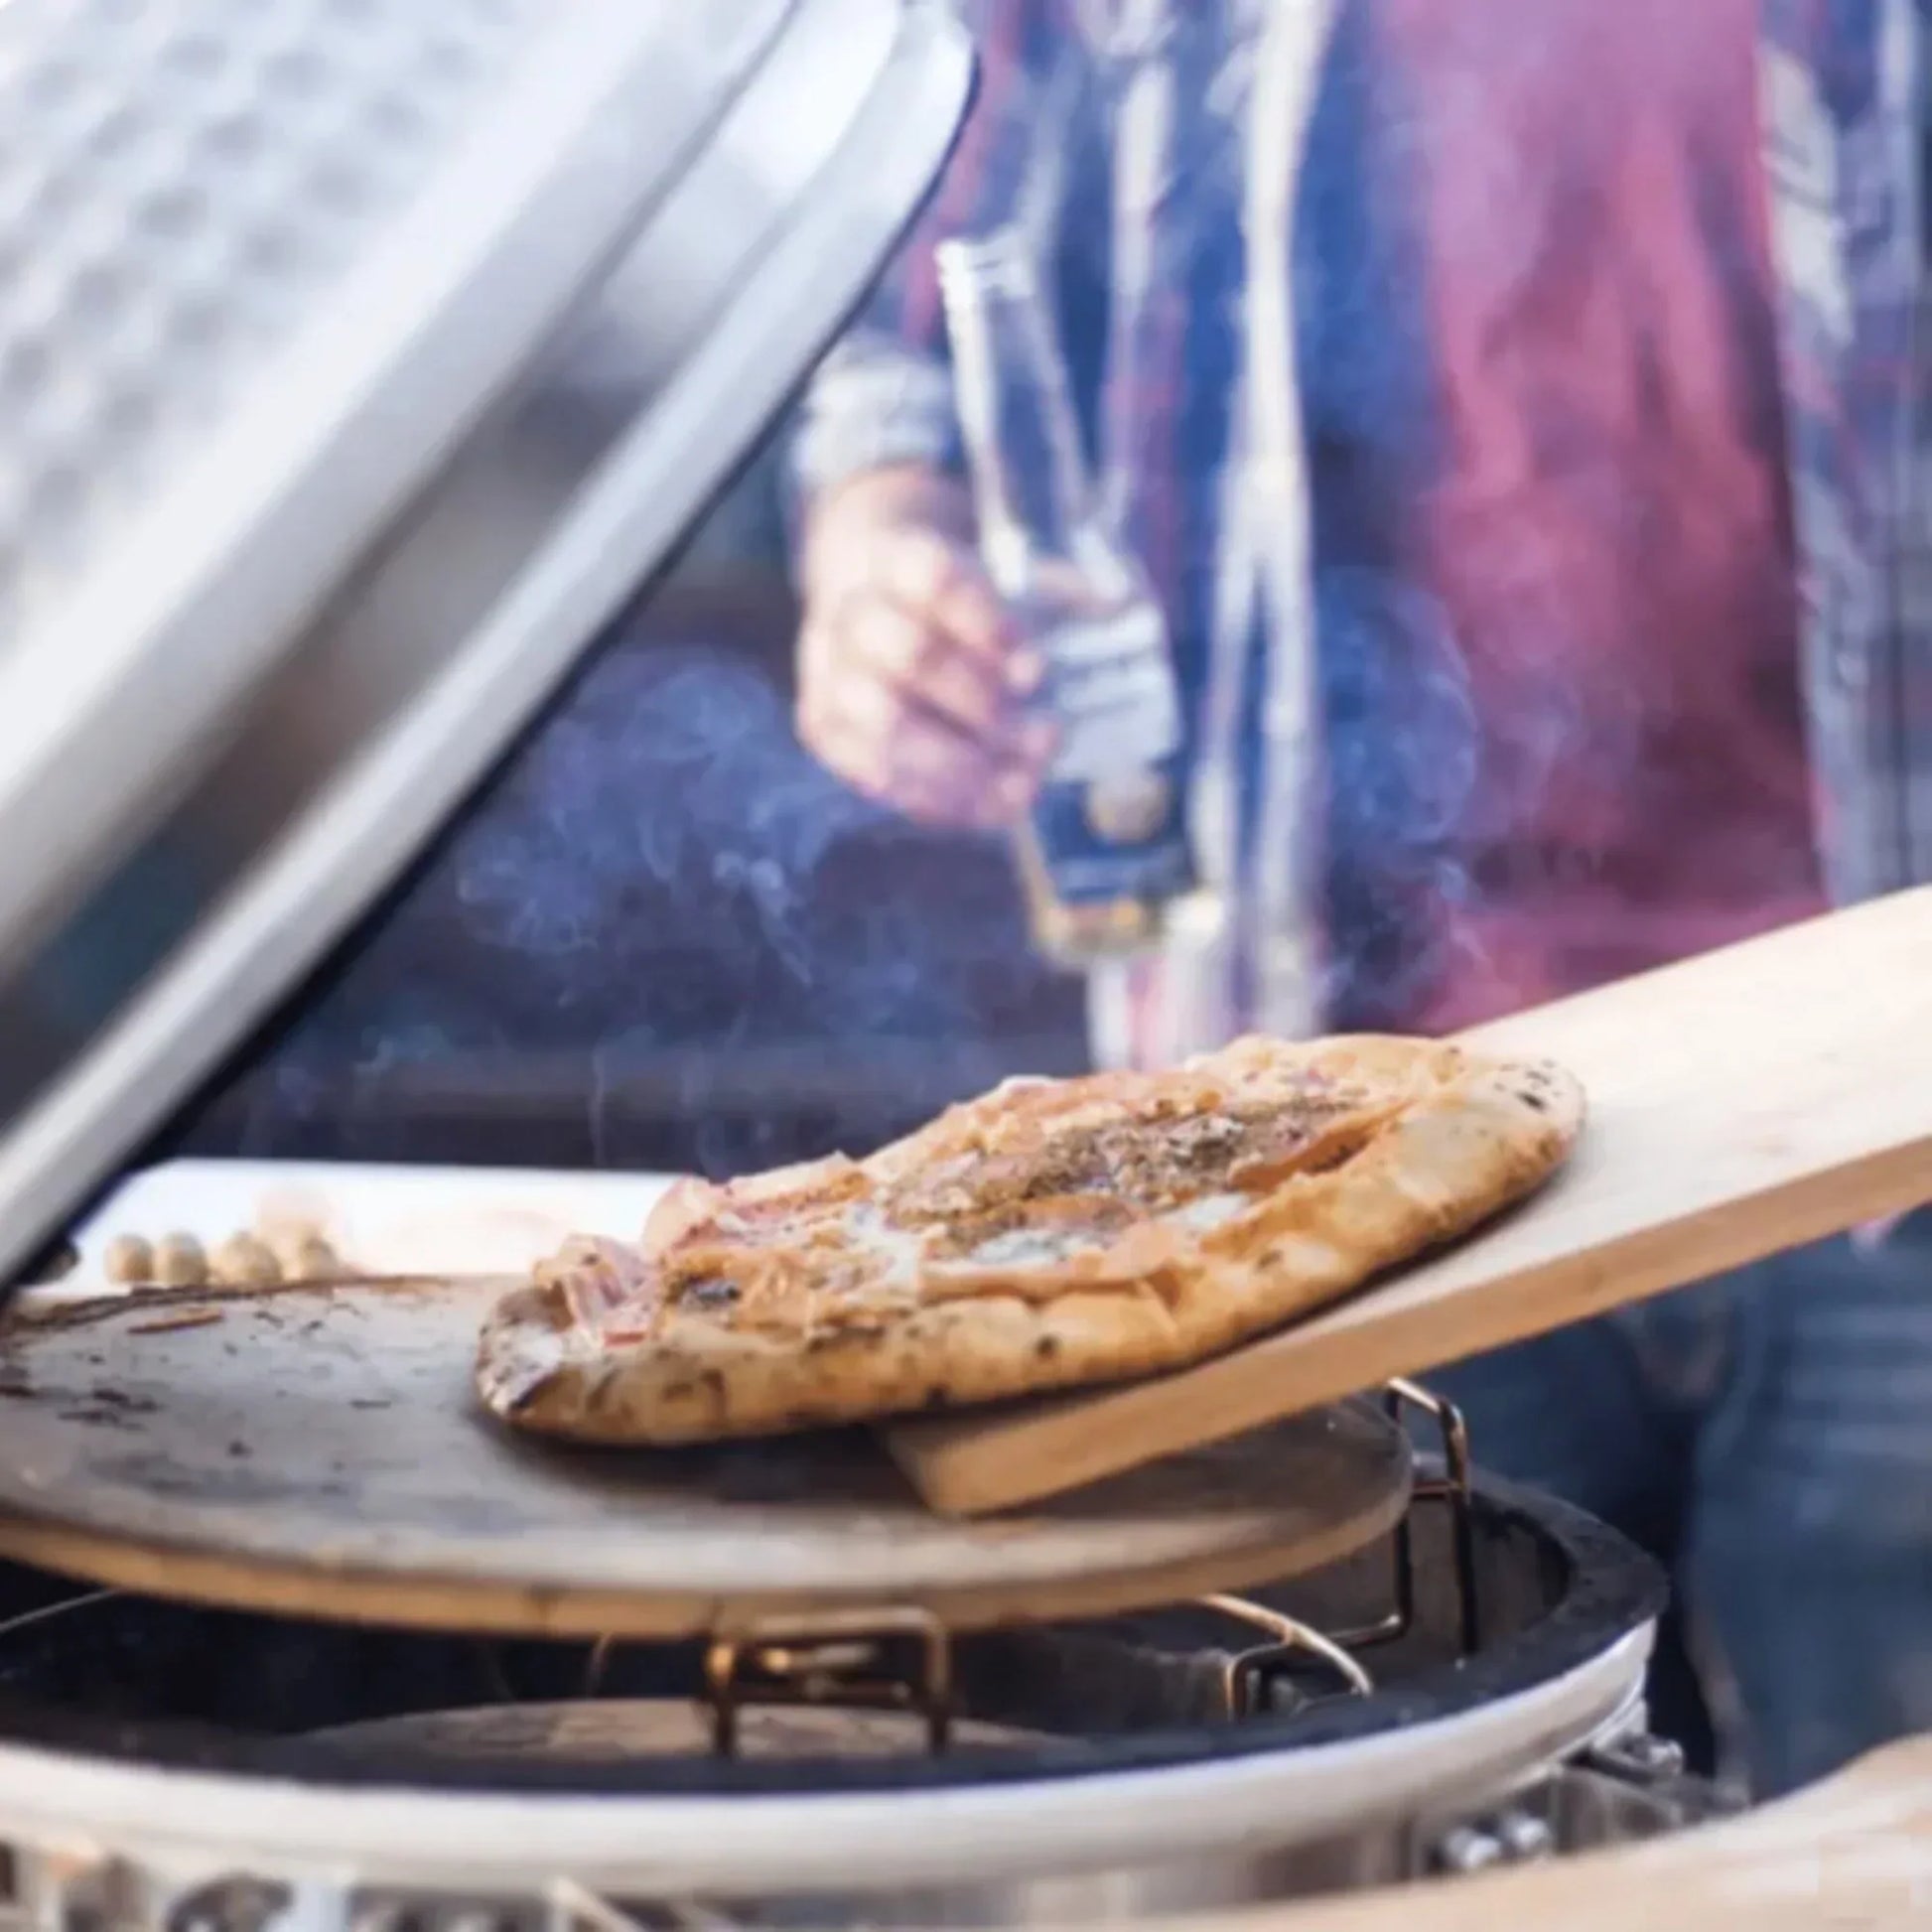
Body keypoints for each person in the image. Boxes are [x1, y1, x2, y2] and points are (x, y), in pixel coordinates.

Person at [786, 0, 1932, 1799]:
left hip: (1892, 1074)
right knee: (1418, 1824)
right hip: (1341, 1118)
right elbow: (916, 260)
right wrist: (879, 534)